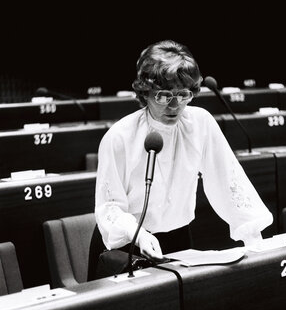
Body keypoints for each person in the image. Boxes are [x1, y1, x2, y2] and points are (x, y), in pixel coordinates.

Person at [95, 39, 273, 263]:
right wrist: (138, 235)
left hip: (178, 238)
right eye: (163, 95)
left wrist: (252, 236)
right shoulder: (119, 137)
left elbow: (228, 180)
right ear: (145, 93)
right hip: (126, 246)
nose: (174, 105)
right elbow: (109, 207)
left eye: (183, 95)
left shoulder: (200, 123)